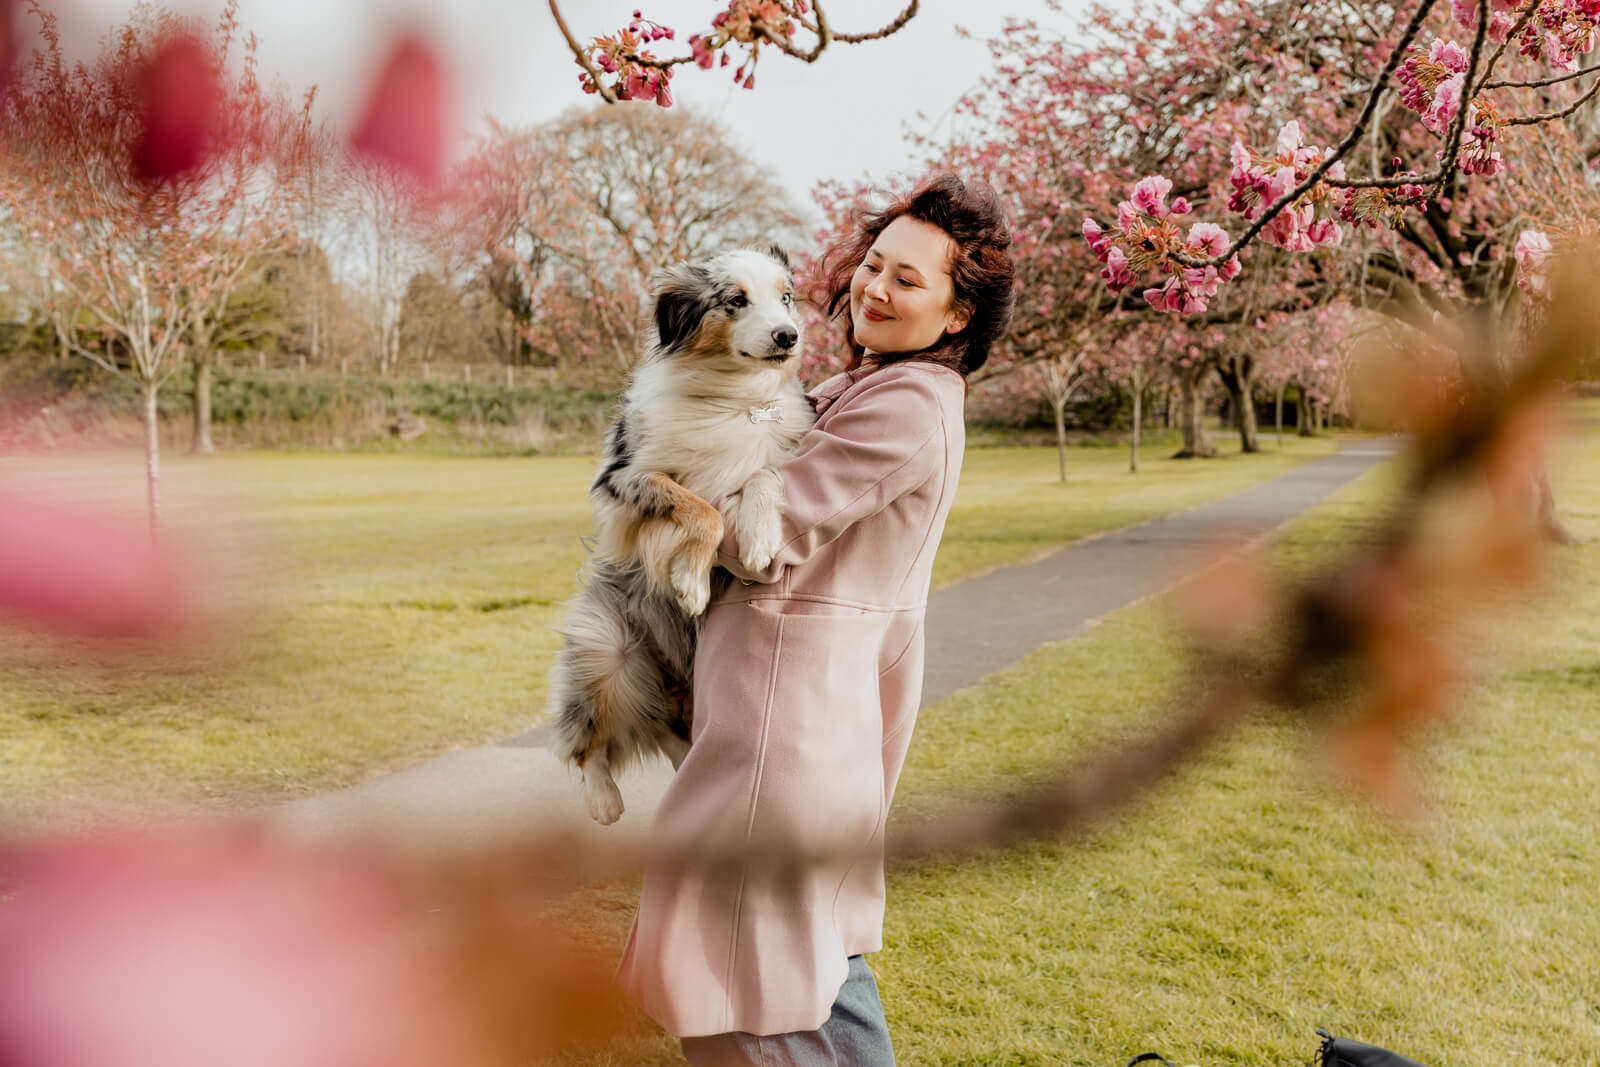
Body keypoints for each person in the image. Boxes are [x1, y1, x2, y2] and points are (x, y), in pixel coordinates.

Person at [616, 172, 1016, 1066]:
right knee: (790, 956)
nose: (875, 286)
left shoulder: (911, 403)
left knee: (755, 983)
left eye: (909, 280)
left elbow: (764, 530)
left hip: (787, 719)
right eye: (875, 263)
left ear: (957, 316)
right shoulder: (859, 384)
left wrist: (655, 464)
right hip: (776, 707)